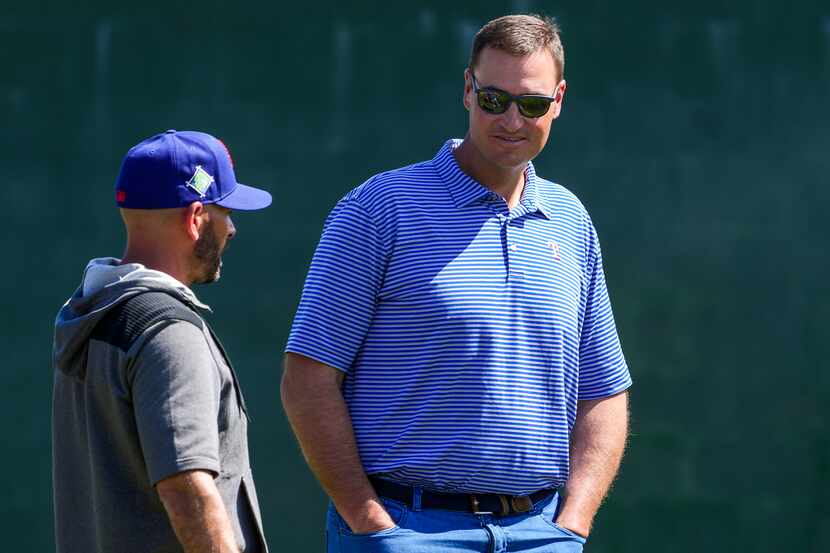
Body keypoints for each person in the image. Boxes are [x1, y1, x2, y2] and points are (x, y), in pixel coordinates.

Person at [282, 14, 631, 553]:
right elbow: (308, 377)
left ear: (558, 101)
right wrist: (371, 523)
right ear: (468, 91)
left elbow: (603, 389)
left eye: (532, 104)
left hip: (540, 533)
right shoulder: (379, 210)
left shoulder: (571, 221)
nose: (513, 119)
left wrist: (573, 523)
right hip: (406, 529)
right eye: (495, 99)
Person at [52, 130, 272, 553]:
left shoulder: (95, 312)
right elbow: (188, 491)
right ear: (195, 218)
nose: (232, 228)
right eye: (223, 210)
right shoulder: (170, 334)